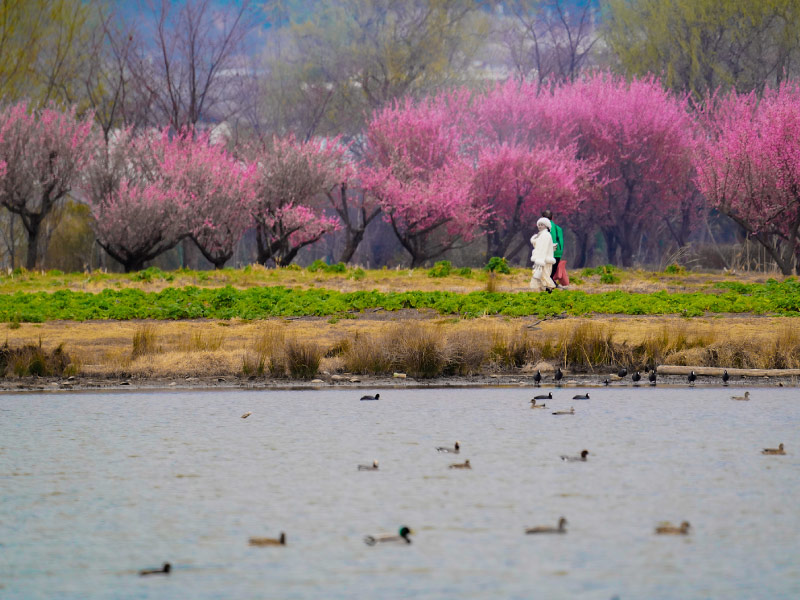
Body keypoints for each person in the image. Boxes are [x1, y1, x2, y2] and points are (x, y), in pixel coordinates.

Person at [530, 217, 556, 292]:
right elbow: (538, 246)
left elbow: (543, 249)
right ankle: (545, 294)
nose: (539, 226)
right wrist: (534, 240)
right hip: (542, 260)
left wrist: (540, 261)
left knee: (545, 277)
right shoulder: (541, 235)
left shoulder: (546, 235)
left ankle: (549, 293)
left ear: (546, 226)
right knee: (541, 278)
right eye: (539, 224)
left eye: (542, 225)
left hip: (544, 260)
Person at [542, 210, 564, 285]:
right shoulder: (558, 228)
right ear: (552, 217)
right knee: (551, 273)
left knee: (546, 273)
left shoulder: (545, 229)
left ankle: (551, 285)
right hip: (558, 253)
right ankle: (552, 284)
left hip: (549, 253)